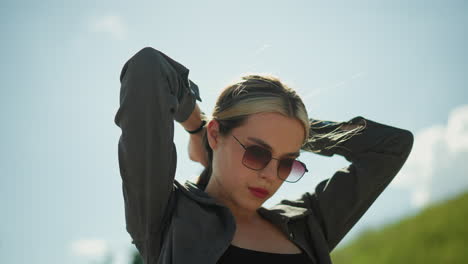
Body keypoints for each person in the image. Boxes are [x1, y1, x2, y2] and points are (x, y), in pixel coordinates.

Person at [114, 47, 414, 264]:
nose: (271, 175)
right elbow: (148, 69)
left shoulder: (307, 226)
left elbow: (391, 147)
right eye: (258, 153)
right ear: (217, 135)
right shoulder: (167, 217)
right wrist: (197, 126)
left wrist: (298, 128)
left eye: (286, 162)